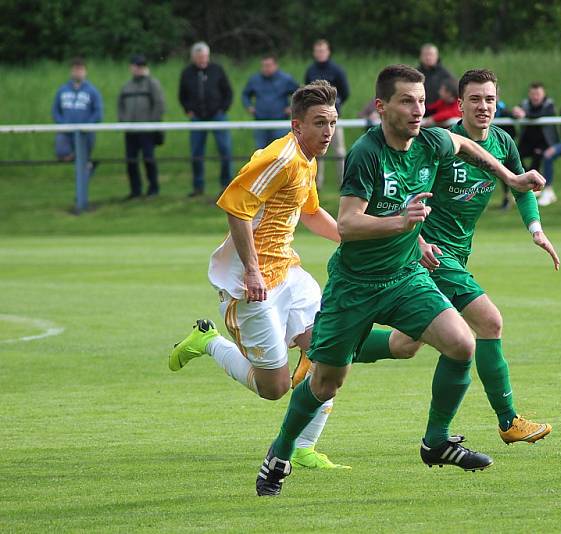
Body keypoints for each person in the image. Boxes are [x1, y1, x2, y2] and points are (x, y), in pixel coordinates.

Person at [255, 64, 546, 497]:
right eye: (407, 101)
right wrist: (401, 222)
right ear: (382, 106)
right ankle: (279, 453)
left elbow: (464, 145)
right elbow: (349, 224)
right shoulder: (367, 153)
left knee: (462, 343)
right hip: (355, 286)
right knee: (326, 382)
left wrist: (509, 177)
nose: (417, 110)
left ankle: (436, 441)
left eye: (422, 101)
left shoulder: (431, 140)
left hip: (406, 277)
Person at [169, 80, 420, 473]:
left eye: (333, 123)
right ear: (297, 124)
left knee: (326, 346)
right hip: (249, 283)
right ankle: (207, 342)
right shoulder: (280, 158)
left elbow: (312, 213)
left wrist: (360, 240)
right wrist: (252, 269)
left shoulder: (308, 158)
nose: (328, 132)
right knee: (275, 388)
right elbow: (235, 207)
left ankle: (303, 447)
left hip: (288, 272)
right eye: (320, 123)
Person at [353, 68, 559, 447]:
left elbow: (521, 185)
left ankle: (328, 347)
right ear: (459, 103)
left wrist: (536, 229)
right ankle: (508, 420)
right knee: (490, 322)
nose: (484, 107)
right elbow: (402, 196)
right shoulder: (437, 144)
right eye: (476, 99)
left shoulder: (501, 142)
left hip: (457, 255)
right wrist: (416, 243)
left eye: (490, 99)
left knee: (404, 345)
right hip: (430, 253)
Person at [179, 41, 233, 197]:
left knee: (225, 149)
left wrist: (223, 109)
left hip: (218, 115)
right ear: (193, 57)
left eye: (204, 56)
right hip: (197, 117)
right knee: (196, 152)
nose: (202, 60)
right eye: (199, 57)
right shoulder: (187, 73)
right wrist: (188, 110)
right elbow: (182, 95)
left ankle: (226, 185)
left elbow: (228, 92)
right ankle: (198, 186)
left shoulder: (217, 70)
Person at [117, 54, 165, 199]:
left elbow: (159, 104)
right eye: (137, 66)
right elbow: (120, 106)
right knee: (131, 161)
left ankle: (153, 189)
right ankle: (135, 191)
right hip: (131, 131)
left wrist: (152, 123)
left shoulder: (152, 84)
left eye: (142, 66)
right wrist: (124, 121)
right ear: (131, 67)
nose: (139, 69)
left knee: (148, 159)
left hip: (147, 130)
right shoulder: (126, 86)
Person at [304, 39, 350, 187]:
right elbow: (306, 91)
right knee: (316, 149)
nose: (320, 54)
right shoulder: (311, 71)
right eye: (318, 51)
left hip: (335, 117)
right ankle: (316, 183)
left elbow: (345, 91)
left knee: (339, 150)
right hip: (316, 118)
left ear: (328, 52)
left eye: (323, 50)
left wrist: (334, 105)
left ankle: (343, 182)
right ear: (314, 53)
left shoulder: (337, 70)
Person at [510, 82, 558, 209]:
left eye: (538, 94)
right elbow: (516, 114)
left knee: (538, 155)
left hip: (544, 142)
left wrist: (525, 115)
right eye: (533, 94)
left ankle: (538, 188)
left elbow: (541, 115)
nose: (535, 97)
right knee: (513, 157)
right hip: (527, 142)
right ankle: (526, 186)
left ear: (543, 94)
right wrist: (515, 112)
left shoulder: (549, 105)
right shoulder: (525, 104)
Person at [52, 57, 103, 169]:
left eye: (80, 70)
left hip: (85, 132)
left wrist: (87, 125)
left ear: (85, 72)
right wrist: (62, 124)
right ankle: (88, 164)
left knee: (82, 161)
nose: (78, 73)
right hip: (66, 131)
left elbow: (98, 112)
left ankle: (85, 171)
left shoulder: (92, 91)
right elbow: (55, 110)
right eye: (75, 70)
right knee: (62, 153)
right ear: (71, 71)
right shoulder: (62, 90)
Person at [242, 53, 299, 149]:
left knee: (281, 153)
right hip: (260, 123)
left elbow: (299, 94)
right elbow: (245, 94)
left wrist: (292, 108)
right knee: (261, 154)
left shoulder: (285, 79)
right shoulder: (255, 80)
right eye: (263, 66)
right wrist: (249, 106)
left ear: (275, 65)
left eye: (268, 65)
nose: (266, 68)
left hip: (279, 123)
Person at [417, 43, 452, 112]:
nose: (428, 58)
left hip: (440, 111)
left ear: (437, 56)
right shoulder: (415, 74)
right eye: (425, 55)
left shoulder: (445, 74)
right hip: (419, 110)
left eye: (431, 55)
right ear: (420, 57)